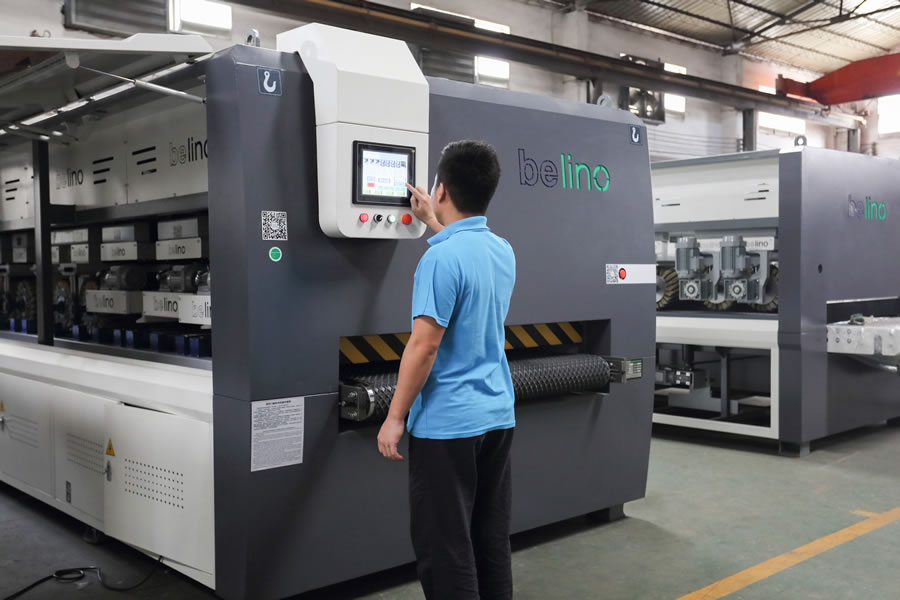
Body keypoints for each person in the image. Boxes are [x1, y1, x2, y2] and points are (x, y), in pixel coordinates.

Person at [376, 140, 517, 600]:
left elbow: (424, 347)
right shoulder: (501, 250)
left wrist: (395, 416)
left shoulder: (438, 260)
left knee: (446, 547)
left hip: (448, 426)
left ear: (441, 190)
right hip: (497, 417)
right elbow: (464, 254)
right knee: (488, 538)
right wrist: (432, 223)